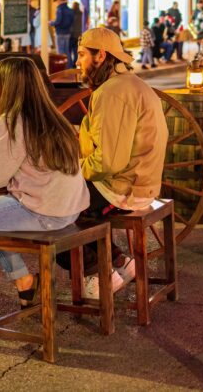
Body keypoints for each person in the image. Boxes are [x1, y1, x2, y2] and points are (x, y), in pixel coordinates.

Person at [0, 57, 89, 344]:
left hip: (43, 211)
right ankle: (25, 284)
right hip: (69, 209)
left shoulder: (11, 122)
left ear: (6, 87)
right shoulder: (52, 117)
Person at [57, 27, 167, 299]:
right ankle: (119, 262)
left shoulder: (112, 92)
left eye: (82, 55)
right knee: (69, 200)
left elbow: (107, 162)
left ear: (101, 55)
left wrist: (72, 171)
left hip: (122, 188)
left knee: (51, 214)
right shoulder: (132, 85)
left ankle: (99, 276)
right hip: (142, 182)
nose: (77, 61)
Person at [50, 0, 75, 67]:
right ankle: (69, 66)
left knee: (60, 52)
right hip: (67, 33)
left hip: (60, 33)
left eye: (57, 1)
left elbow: (58, 21)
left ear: (60, 0)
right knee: (67, 51)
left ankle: (62, 67)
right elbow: (72, 21)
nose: (56, 3)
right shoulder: (70, 10)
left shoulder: (59, 9)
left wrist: (51, 23)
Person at [69, 2, 84, 67]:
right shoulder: (80, 13)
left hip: (72, 34)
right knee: (76, 51)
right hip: (78, 34)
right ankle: (74, 65)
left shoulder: (71, 13)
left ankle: (70, 65)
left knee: (69, 51)